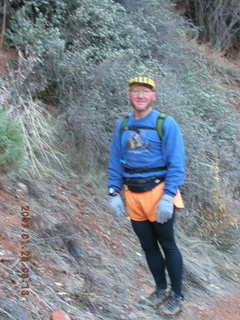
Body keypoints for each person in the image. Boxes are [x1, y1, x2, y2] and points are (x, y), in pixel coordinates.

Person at [107, 76, 185, 315]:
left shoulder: (165, 123)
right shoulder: (123, 126)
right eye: (135, 91)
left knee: (168, 245)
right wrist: (113, 191)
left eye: (145, 92)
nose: (140, 96)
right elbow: (115, 161)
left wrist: (167, 196)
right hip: (133, 195)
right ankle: (160, 289)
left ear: (153, 96)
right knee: (148, 246)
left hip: (159, 191)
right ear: (129, 95)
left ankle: (177, 295)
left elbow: (177, 163)